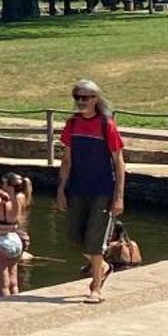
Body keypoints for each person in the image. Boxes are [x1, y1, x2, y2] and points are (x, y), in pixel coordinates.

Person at [55, 79, 126, 303]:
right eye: (77, 97)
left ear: (96, 99)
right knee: (75, 237)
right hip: (77, 187)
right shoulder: (72, 124)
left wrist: (119, 197)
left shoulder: (107, 125)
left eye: (86, 97)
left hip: (102, 190)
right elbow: (66, 159)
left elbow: (119, 162)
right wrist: (60, 189)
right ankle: (103, 267)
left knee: (94, 241)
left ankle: (96, 288)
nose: (81, 102)